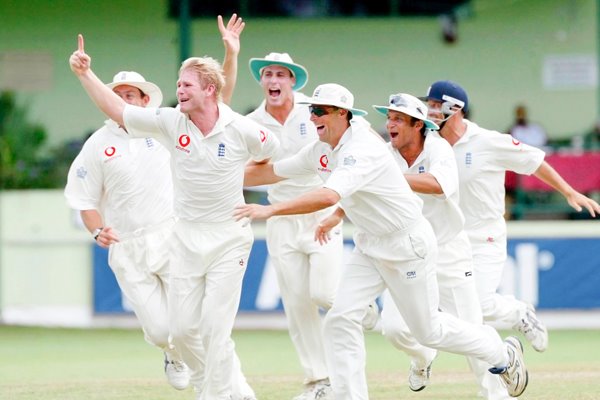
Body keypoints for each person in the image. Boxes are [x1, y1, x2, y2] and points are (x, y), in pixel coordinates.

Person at [236, 83, 529, 399]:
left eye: (319, 110)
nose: (312, 116)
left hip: (407, 244)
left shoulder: (362, 149)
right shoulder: (322, 149)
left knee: (428, 331)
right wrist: (213, 171)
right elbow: (272, 172)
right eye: (311, 110)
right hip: (369, 245)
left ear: (342, 114)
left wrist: (272, 209)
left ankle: (501, 352)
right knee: (341, 318)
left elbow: (328, 195)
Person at [69, 27, 279, 400]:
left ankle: (225, 392)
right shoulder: (163, 124)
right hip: (163, 241)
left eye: (186, 85)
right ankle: (187, 365)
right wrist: (85, 74)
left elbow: (245, 133)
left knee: (212, 327)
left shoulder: (230, 127)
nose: (179, 91)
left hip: (208, 236)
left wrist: (230, 54)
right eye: (178, 85)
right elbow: (114, 114)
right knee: (175, 333)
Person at [420, 80, 600, 354]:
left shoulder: (488, 141)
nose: (430, 111)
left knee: (478, 305)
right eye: (429, 105)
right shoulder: (428, 144)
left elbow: (535, 161)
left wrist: (568, 191)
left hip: (485, 237)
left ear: (455, 109)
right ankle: (423, 359)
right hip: (447, 239)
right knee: (440, 309)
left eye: (436, 105)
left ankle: (519, 313)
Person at [372, 93, 511, 399]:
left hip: (447, 248)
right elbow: (361, 185)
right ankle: (423, 357)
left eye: (397, 118)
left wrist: (390, 178)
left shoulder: (439, 149)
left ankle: (495, 392)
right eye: (389, 118)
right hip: (406, 251)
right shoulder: (383, 155)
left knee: (470, 327)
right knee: (394, 328)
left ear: (418, 125)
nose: (389, 124)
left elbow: (438, 184)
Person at [64, 70, 190, 391]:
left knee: (188, 321)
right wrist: (97, 232)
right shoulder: (97, 144)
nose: (121, 101)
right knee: (161, 331)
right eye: (116, 94)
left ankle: (212, 378)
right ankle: (171, 354)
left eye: (129, 95)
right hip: (127, 247)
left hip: (171, 235)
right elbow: (84, 199)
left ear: (144, 101)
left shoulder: (164, 129)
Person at [245, 52, 342, 400]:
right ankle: (320, 381)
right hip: (281, 216)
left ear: (292, 81)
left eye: (281, 75)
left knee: (326, 294)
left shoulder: (314, 111)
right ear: (262, 81)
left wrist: (281, 168)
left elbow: (339, 149)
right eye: (268, 74)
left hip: (320, 211)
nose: (274, 81)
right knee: (298, 305)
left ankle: (363, 310)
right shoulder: (252, 123)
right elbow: (245, 172)